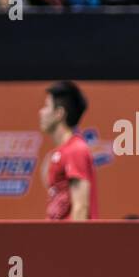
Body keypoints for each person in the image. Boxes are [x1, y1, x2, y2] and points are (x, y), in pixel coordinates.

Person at [39, 80, 98, 220]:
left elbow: (80, 208)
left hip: (72, 240)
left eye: (47, 106)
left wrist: (73, 242)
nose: (41, 112)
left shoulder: (76, 150)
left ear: (59, 113)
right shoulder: (60, 152)